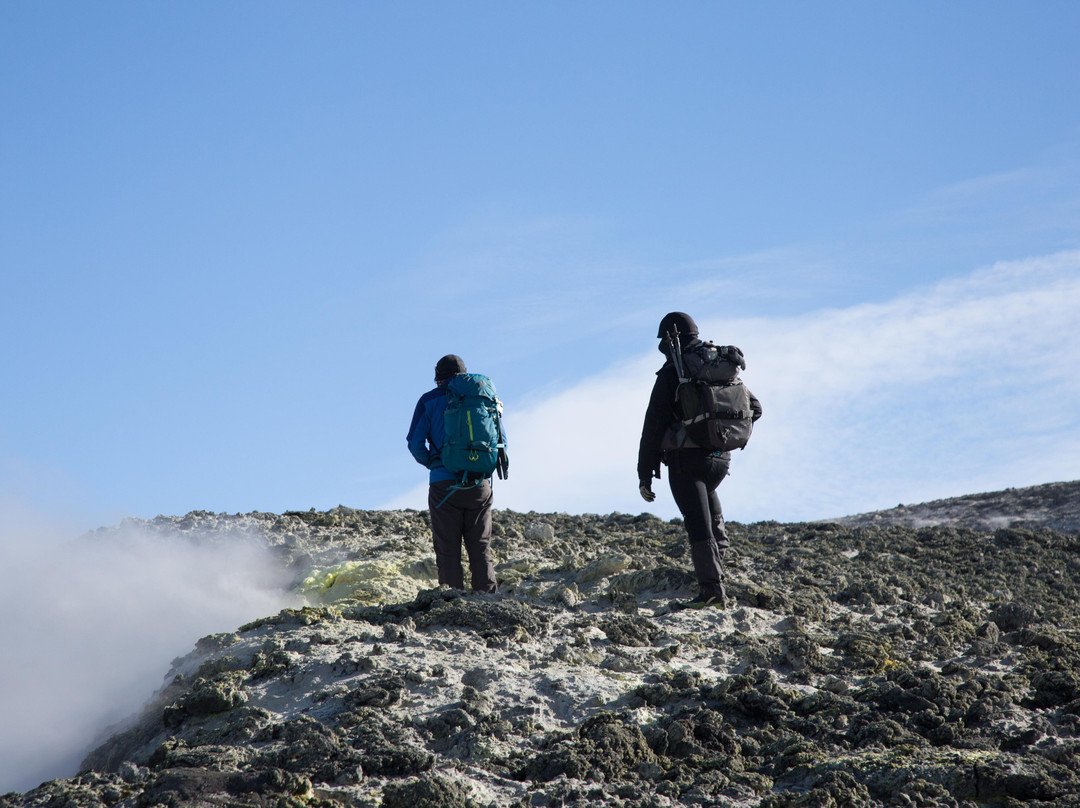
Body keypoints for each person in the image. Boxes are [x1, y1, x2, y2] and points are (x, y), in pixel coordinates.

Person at [637, 312, 762, 609]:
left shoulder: (674, 371)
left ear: (669, 338)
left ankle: (712, 592)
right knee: (709, 509)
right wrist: (721, 435)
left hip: (685, 461)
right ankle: (721, 568)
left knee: (698, 526)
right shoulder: (718, 365)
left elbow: (653, 424)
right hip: (720, 460)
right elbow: (755, 407)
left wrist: (645, 472)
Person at [407, 354, 499, 593]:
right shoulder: (482, 398)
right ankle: (487, 600)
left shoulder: (429, 400)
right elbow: (501, 442)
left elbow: (414, 443)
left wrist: (434, 464)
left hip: (443, 485)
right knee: (480, 547)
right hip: (479, 484)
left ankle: (451, 600)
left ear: (439, 378)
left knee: (448, 550)